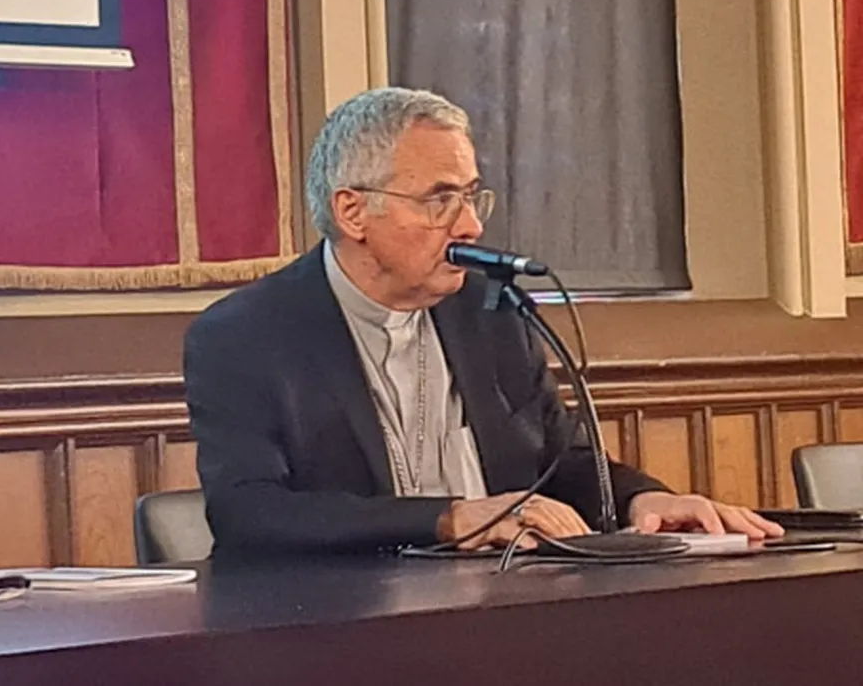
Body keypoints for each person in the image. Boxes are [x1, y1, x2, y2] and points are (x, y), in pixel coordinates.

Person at [184, 88, 782, 554]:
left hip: (501, 609)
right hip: (336, 628)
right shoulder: (245, 335)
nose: (470, 225)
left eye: (471, 197)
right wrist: (447, 519)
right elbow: (251, 512)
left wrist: (643, 501)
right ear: (353, 212)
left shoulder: (490, 311)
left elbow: (560, 462)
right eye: (440, 200)